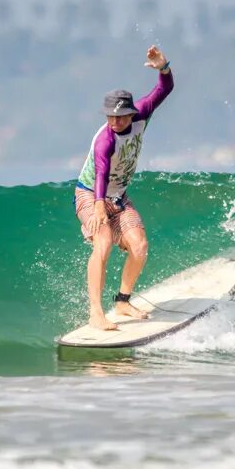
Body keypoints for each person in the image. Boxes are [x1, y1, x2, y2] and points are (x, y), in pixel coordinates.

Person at [74, 44, 174, 330]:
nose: (115, 122)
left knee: (139, 245)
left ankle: (122, 301)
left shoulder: (142, 114)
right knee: (102, 244)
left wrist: (163, 68)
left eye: (120, 116)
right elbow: (101, 174)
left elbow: (164, 90)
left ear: (131, 113)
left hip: (117, 196)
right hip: (90, 193)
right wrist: (97, 208)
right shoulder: (105, 140)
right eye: (110, 117)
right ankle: (96, 312)